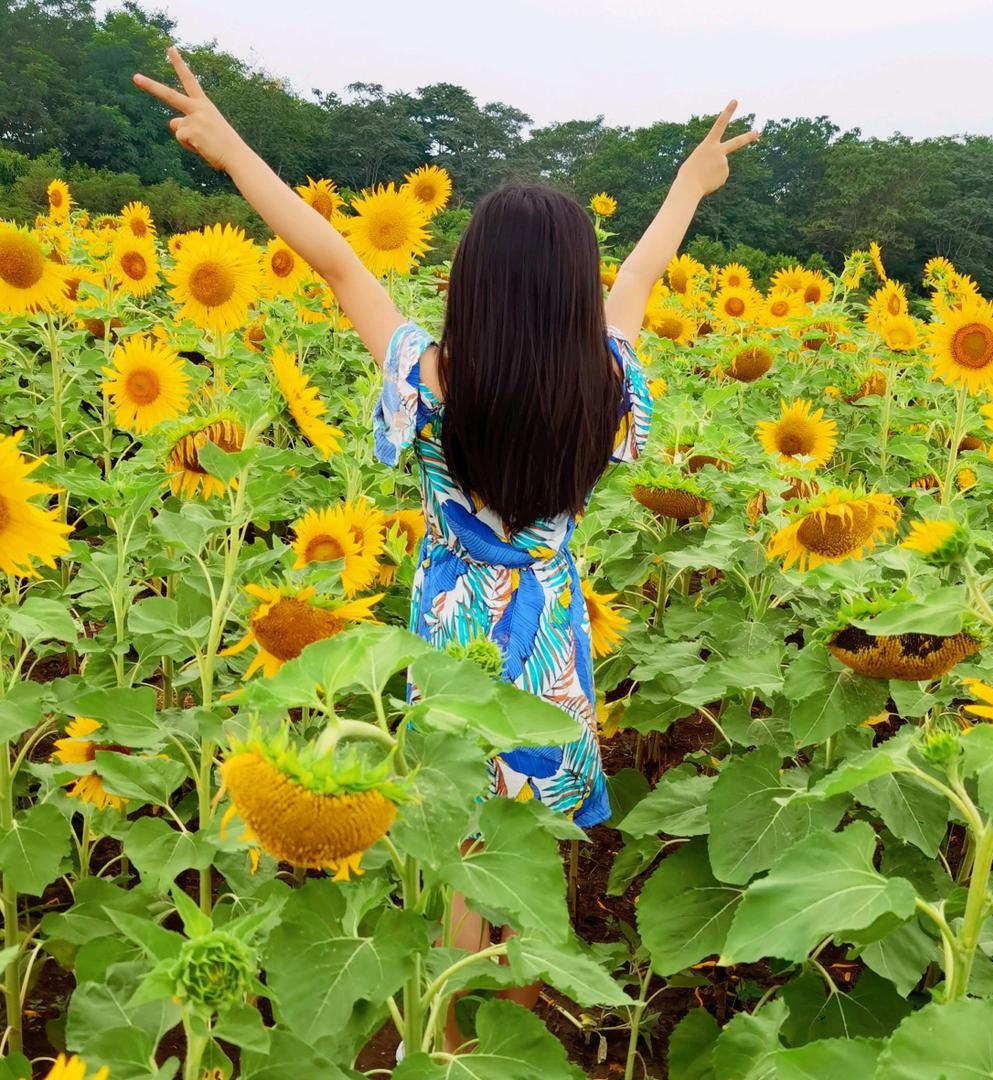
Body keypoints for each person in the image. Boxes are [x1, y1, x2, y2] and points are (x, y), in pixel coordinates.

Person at [135, 47, 758, 1048]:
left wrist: (233, 151)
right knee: (524, 854)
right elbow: (642, 272)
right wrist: (691, 182)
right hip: (548, 639)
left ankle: (450, 1047)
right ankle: (504, 1033)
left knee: (461, 847)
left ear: (469, 281)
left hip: (452, 638)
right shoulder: (601, 381)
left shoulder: (426, 378)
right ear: (570, 295)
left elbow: (334, 255)